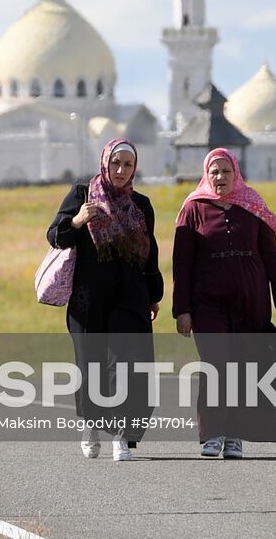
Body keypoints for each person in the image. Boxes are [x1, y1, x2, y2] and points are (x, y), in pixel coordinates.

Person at [173, 147, 276, 460]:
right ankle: (211, 434)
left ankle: (234, 436)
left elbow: (272, 259)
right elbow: (182, 264)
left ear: (236, 173)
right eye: (214, 171)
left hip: (251, 303)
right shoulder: (193, 208)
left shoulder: (253, 205)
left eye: (225, 171)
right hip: (207, 305)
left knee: (243, 368)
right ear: (206, 174)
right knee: (216, 365)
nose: (220, 177)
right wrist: (182, 310)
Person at [45, 138, 163, 462]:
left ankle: (123, 434)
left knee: (127, 365)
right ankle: (92, 426)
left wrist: (154, 296)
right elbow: (55, 236)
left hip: (130, 296)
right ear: (104, 163)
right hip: (89, 299)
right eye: (116, 163)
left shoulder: (142, 205)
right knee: (90, 366)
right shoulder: (83, 195)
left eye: (127, 164)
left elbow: (149, 256)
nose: (121, 170)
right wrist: (77, 221)